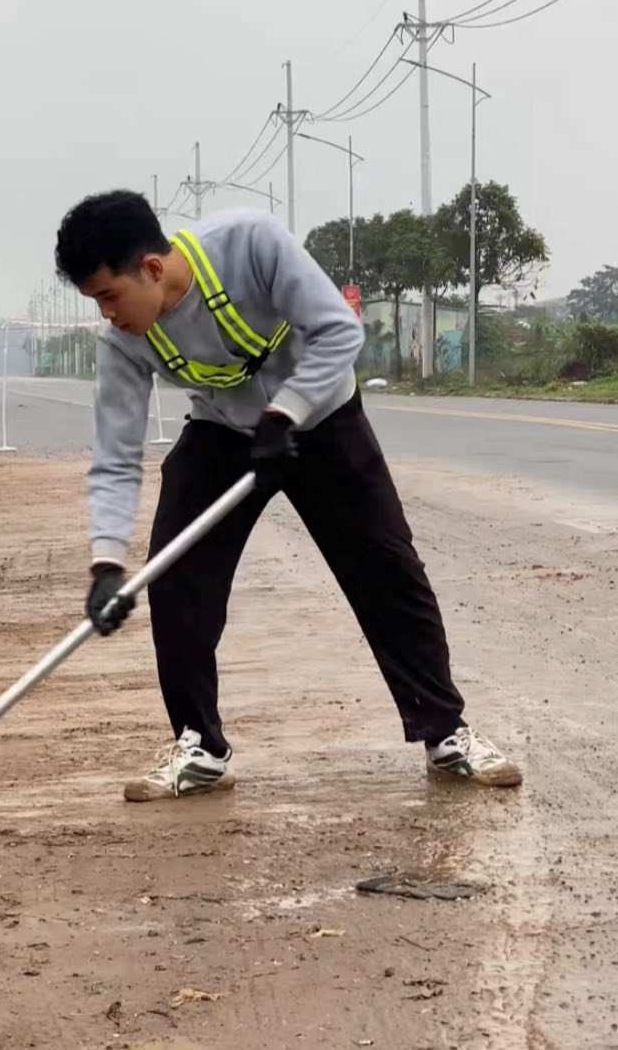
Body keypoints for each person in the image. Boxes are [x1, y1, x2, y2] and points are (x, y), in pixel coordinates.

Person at [54, 190, 522, 802]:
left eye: (109, 297)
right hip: (223, 433)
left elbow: (337, 331)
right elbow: (116, 455)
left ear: (150, 268)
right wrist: (107, 562)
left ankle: (445, 732)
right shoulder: (122, 341)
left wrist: (287, 412)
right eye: (96, 303)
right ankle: (199, 744)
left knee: (386, 569)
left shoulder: (252, 242)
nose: (108, 315)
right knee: (176, 578)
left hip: (323, 416)